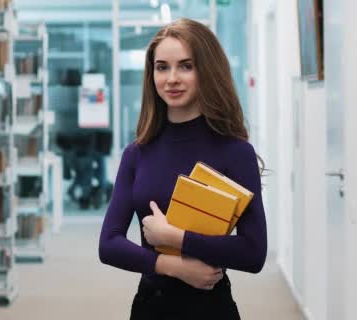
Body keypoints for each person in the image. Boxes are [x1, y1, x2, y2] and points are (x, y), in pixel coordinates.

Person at [98, 18, 267, 320]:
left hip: (211, 307)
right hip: (151, 305)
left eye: (185, 66)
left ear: (207, 71)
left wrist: (176, 238)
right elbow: (109, 244)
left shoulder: (236, 152)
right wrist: (173, 266)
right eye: (162, 67)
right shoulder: (137, 153)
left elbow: (253, 253)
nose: (171, 78)